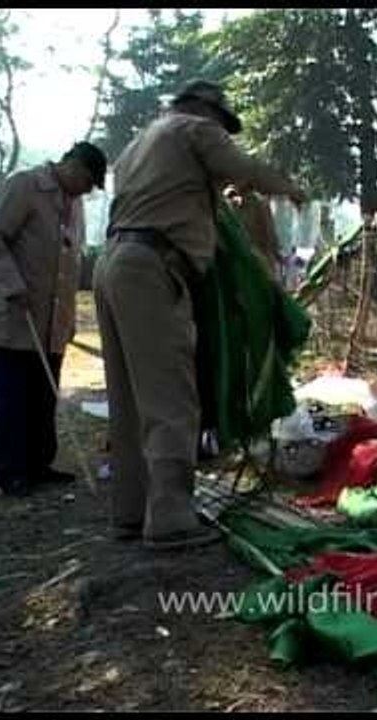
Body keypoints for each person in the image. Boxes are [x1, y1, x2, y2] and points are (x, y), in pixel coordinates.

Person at [95, 79, 306, 550]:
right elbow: (244, 170)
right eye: (222, 124)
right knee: (171, 396)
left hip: (113, 263)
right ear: (203, 110)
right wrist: (289, 187)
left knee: (129, 399)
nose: (222, 133)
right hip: (154, 267)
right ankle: (171, 517)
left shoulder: (139, 143)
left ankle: (131, 511)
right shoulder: (193, 128)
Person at [0, 141, 107, 497]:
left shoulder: (74, 204)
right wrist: (11, 284)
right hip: (18, 314)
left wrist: (69, 318)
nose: (87, 191)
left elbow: (69, 259)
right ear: (73, 165)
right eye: (88, 181)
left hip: (53, 321)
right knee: (13, 397)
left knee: (43, 396)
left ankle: (39, 464)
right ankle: (12, 472)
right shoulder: (24, 185)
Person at [223, 185, 284, 279]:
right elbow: (270, 234)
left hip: (252, 261)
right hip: (248, 261)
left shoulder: (258, 203)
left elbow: (270, 234)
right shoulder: (259, 203)